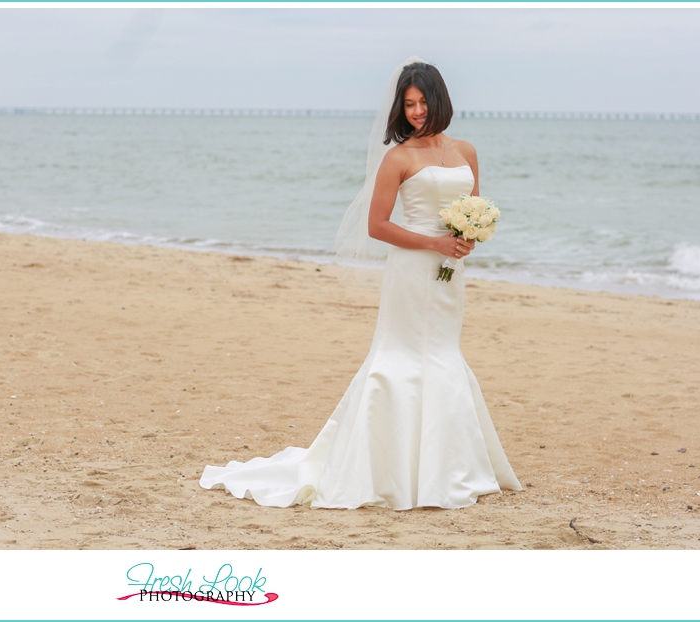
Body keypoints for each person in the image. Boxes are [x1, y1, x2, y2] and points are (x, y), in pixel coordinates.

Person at [199, 58, 522, 510]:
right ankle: (391, 469)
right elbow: (377, 226)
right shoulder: (399, 157)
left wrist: (467, 240)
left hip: (450, 274)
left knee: (444, 354)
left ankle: (448, 467)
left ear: (440, 99)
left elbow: (472, 210)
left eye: (422, 101)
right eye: (408, 103)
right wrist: (434, 243)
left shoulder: (466, 151)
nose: (415, 111)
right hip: (412, 269)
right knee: (402, 356)